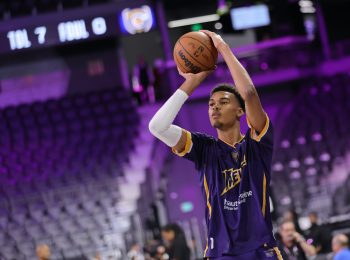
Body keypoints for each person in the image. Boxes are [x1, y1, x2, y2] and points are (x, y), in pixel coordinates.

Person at [149, 30, 282, 259]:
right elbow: (157, 127)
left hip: (261, 251)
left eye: (223, 102)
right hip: (220, 253)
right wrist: (192, 81)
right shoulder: (204, 149)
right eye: (211, 104)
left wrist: (222, 48)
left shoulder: (257, 145)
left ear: (240, 111)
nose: (215, 107)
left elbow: (248, 93)